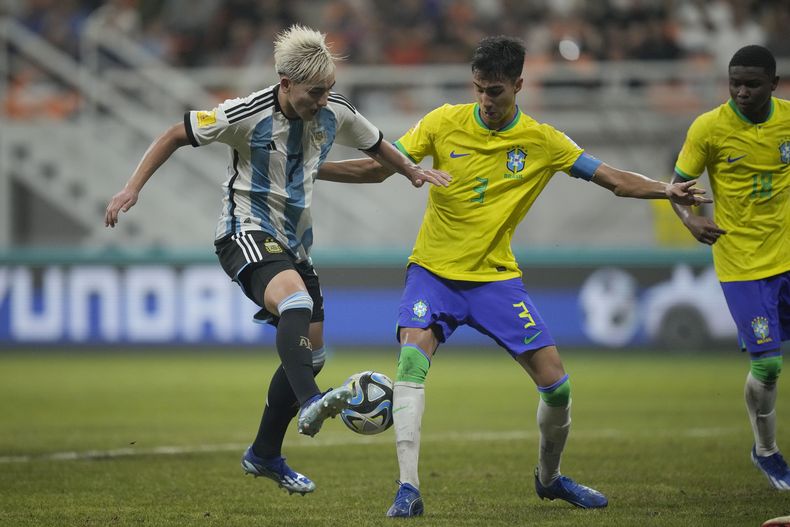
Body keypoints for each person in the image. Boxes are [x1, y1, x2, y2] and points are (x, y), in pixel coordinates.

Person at [317, 35, 710, 517]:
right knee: (411, 362)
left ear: (519, 85)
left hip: (495, 280)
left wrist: (667, 189)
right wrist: (311, 169)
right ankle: (408, 489)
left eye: (496, 91)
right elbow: (379, 168)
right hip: (432, 274)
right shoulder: (443, 122)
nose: (486, 100)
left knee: (557, 386)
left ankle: (549, 479)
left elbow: (612, 179)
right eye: (480, 88)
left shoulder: (543, 141)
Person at [104, 24, 450, 496]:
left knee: (313, 353)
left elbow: (375, 146)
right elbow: (175, 133)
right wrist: (131, 188)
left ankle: (264, 453)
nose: (323, 101)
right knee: (295, 305)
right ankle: (312, 402)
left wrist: (409, 170)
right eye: (314, 93)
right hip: (243, 230)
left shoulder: (335, 111)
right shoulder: (244, 112)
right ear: (286, 84)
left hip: (294, 243)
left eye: (329, 91)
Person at [670, 44, 790, 490]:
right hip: (741, 262)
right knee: (768, 367)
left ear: (774, 85)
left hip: (788, 255)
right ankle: (766, 450)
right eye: (735, 82)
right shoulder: (709, 128)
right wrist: (689, 221)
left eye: (752, 84)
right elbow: (676, 188)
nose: (741, 91)